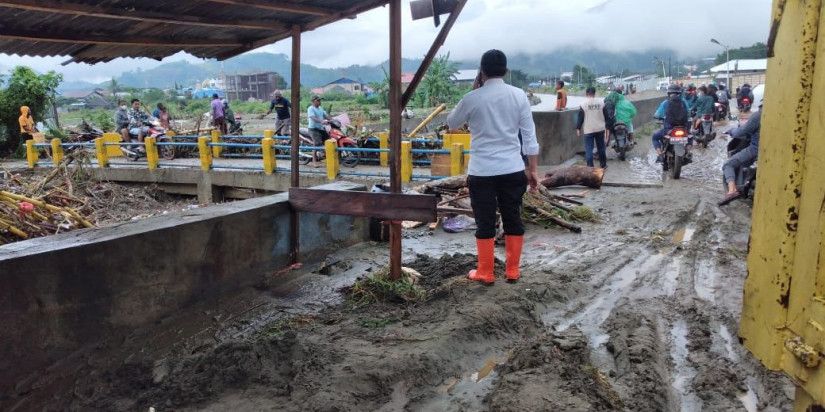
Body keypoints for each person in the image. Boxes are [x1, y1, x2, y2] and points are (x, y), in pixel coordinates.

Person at [447, 49, 540, 286]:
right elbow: (529, 138)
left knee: (484, 221)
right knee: (513, 218)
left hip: (482, 172)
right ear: (506, 71)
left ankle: (486, 272)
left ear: (482, 71)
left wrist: (475, 89)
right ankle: (512, 271)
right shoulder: (519, 96)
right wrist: (533, 170)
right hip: (512, 169)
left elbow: (451, 123)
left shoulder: (472, 98)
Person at [720, 105, 761, 205]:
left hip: (755, 149)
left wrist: (731, 131)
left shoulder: (758, 115)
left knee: (728, 165)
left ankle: (732, 190)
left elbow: (741, 131)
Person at [652, 84, 690, 162]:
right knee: (690, 137)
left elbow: (658, 114)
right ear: (679, 93)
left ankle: (660, 155)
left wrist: (657, 116)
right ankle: (688, 152)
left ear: (669, 93)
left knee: (655, 137)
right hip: (683, 128)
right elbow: (688, 113)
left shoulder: (665, 103)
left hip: (669, 129)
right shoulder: (684, 102)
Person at [576, 87, 610, 168]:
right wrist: (607, 127)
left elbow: (580, 117)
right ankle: (603, 165)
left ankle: (590, 167)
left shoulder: (583, 104)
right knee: (601, 148)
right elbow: (606, 116)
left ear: (586, 94)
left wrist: (578, 128)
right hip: (600, 129)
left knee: (589, 149)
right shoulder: (601, 103)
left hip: (589, 129)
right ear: (594, 93)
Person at [307, 95, 331, 166]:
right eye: (318, 100)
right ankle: (314, 161)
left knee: (329, 140)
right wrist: (321, 121)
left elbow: (326, 115)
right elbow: (313, 117)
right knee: (316, 143)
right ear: (314, 101)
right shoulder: (310, 108)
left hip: (320, 128)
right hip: (313, 129)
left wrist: (333, 119)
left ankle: (326, 156)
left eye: (320, 100)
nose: (320, 102)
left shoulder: (320, 108)